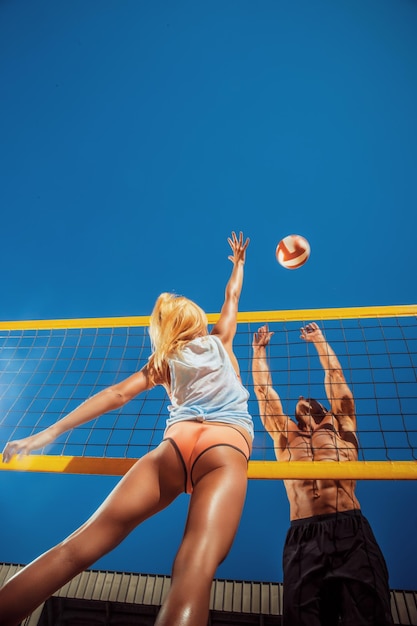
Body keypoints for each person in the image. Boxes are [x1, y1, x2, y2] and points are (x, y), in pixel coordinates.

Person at [0, 231, 252, 626]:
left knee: (76, 547)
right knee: (195, 565)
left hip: (173, 445)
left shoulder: (164, 358)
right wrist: (239, 263)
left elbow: (116, 395)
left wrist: (44, 435)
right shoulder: (220, 339)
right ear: (198, 320)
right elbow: (232, 298)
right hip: (224, 443)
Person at [252, 322, 393, 626]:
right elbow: (263, 392)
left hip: (350, 529)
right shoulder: (285, 436)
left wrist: (319, 340)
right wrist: (258, 351)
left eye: (312, 400)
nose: (305, 397)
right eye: (301, 401)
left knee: (370, 616)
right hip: (304, 534)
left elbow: (336, 377)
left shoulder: (342, 429)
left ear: (324, 407)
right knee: (302, 619)